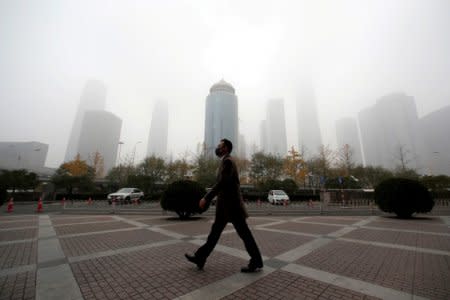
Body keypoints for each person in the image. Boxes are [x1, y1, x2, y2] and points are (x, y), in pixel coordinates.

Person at [185, 138, 263, 273]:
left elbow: (222, 183)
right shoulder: (225, 161)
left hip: (232, 207)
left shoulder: (228, 162)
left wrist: (206, 197)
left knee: (245, 234)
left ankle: (256, 261)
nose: (217, 148)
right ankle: (200, 257)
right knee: (214, 234)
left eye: (220, 146)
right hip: (225, 207)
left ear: (226, 148)